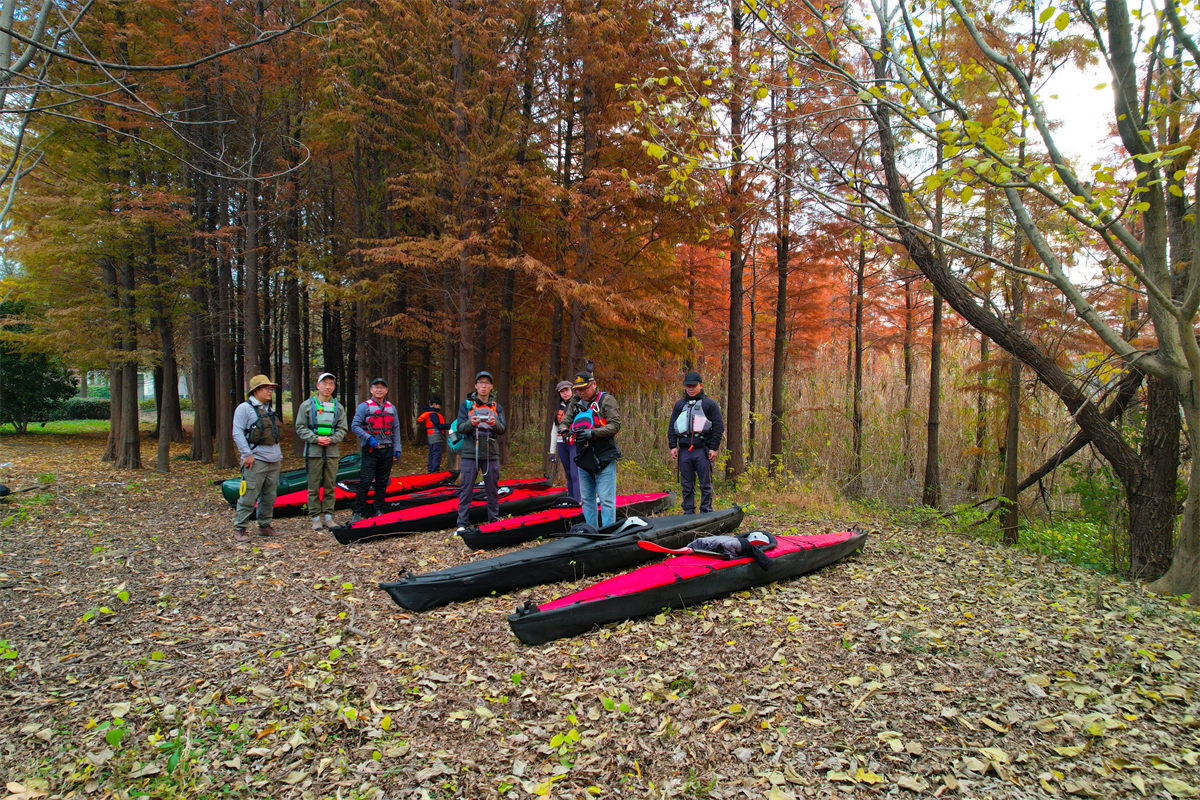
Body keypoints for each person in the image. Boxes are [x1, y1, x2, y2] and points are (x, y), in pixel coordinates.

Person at [231, 374, 285, 541]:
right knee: (249, 494)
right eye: (266, 388)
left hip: (274, 459)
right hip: (256, 459)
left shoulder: (269, 409)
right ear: (256, 391)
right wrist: (246, 454)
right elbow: (237, 432)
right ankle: (240, 528)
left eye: (271, 388)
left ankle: (264, 525)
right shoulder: (244, 409)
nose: (270, 391)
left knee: (269, 495)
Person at [566, 370, 621, 527]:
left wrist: (592, 433)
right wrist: (565, 430)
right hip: (583, 457)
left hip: (604, 456)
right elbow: (566, 421)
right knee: (587, 499)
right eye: (578, 389)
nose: (581, 392)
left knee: (606, 499)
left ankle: (608, 533)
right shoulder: (575, 402)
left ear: (594, 384)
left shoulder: (606, 400)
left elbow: (615, 426)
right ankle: (591, 531)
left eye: (585, 388)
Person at [296, 371, 349, 531]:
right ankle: (315, 518)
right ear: (317, 385)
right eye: (324, 383)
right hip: (314, 451)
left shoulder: (338, 407)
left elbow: (342, 428)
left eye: (331, 384)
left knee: (330, 485)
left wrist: (332, 439)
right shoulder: (306, 406)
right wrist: (315, 438)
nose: (328, 387)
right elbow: (300, 427)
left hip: (332, 451)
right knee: (313, 485)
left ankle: (328, 516)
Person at [454, 371, 506, 533]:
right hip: (470, 452)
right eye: (480, 382)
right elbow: (460, 427)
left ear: (491, 387)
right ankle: (462, 524)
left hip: (491, 453)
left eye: (487, 383)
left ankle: (493, 521)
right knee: (466, 488)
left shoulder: (497, 407)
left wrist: (494, 423)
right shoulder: (467, 405)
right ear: (476, 386)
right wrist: (471, 423)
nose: (484, 385)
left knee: (492, 488)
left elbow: (502, 429)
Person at [667, 371, 725, 514]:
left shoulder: (709, 404)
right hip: (685, 450)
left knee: (705, 484)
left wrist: (714, 448)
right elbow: (671, 426)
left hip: (702, 449)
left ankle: (706, 511)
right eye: (688, 386)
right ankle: (688, 511)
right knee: (687, 484)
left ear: (701, 385)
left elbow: (718, 427)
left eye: (693, 386)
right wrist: (673, 445)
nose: (690, 389)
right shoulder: (680, 405)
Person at [350, 377, 402, 522]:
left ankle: (378, 508)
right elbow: (355, 426)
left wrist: (397, 448)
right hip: (371, 450)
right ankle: (358, 511)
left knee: (382, 481)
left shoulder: (391, 408)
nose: (379, 390)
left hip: (387, 449)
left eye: (382, 387)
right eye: (376, 387)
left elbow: (396, 428)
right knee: (366, 481)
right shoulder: (364, 407)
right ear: (371, 390)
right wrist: (368, 438)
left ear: (386, 390)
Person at [548, 380, 581, 501]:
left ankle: (579, 499)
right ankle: (571, 499)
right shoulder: (559, 409)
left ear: (571, 390)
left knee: (575, 473)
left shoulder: (578, 404)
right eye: (562, 391)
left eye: (566, 390)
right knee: (568, 474)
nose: (565, 393)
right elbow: (554, 430)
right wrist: (552, 451)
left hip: (574, 442)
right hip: (562, 443)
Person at [416, 394, 451, 473]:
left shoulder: (429, 413)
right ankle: (434, 470)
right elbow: (438, 425)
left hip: (431, 436)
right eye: (439, 405)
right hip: (436, 437)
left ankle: (431, 469)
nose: (440, 407)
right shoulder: (433, 414)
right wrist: (450, 425)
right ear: (434, 404)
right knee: (436, 454)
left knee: (432, 453)